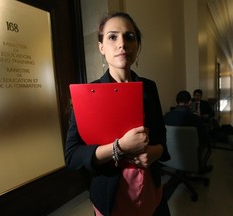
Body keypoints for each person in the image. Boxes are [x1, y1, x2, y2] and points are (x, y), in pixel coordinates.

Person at [65, 12, 170, 216]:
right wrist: (119, 147)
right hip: (111, 197)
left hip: (151, 191)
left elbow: (161, 137)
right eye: (112, 37)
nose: (122, 43)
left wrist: (155, 152)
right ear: (101, 46)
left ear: (137, 45)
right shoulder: (88, 94)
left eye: (129, 37)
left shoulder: (149, 87)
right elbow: (72, 156)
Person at [163, 90, 212, 173]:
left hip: (171, 155)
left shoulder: (166, 116)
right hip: (190, 154)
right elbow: (204, 138)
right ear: (190, 102)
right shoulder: (195, 119)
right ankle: (202, 168)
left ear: (177, 101)